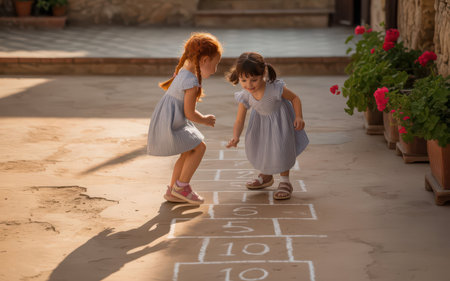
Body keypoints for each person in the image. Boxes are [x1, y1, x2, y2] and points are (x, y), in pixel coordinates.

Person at [147, 32, 222, 204]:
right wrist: (205, 119)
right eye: (215, 64)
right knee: (199, 147)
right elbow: (190, 113)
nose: (215, 69)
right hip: (172, 122)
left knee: (188, 150)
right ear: (204, 60)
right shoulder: (191, 82)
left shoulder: (184, 70)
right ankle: (182, 187)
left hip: (170, 119)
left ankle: (173, 189)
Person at [226, 52, 309, 200]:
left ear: (263, 73)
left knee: (281, 149)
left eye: (254, 80)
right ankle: (266, 176)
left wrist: (299, 116)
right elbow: (239, 120)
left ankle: (285, 181)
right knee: (262, 148)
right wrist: (235, 137)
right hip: (261, 125)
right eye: (243, 80)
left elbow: (295, 98)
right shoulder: (245, 95)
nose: (249, 85)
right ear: (238, 76)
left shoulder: (275, 88)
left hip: (280, 123)